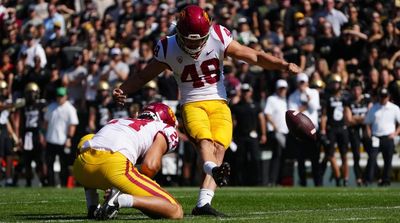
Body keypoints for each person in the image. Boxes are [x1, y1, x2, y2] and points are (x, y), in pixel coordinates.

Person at [112, 5, 300, 216]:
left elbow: (253, 56)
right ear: (180, 33)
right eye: (189, 39)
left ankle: (203, 203)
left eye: (198, 39)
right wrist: (123, 89)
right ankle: (213, 171)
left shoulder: (218, 36)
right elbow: (143, 76)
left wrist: (283, 65)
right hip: (192, 103)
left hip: (219, 102)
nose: (194, 43)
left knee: (219, 147)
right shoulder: (168, 46)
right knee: (205, 141)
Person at [73, 102, 183, 220]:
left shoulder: (118, 120)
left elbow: (85, 143)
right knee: (175, 210)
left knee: (88, 138)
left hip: (81, 169)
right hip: (113, 167)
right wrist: (124, 190)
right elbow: (150, 166)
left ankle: (92, 206)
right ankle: (121, 199)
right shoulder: (165, 128)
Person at [288, 73, 321, 186]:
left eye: (303, 82)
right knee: (300, 159)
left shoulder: (313, 92)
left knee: (315, 159)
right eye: (300, 82)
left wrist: (307, 98)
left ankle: (318, 183)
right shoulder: (293, 96)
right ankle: (303, 182)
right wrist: (304, 107)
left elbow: (315, 107)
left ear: (307, 82)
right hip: (300, 132)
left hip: (313, 130)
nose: (302, 84)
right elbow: (292, 114)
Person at [230, 83, 267, 186]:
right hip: (240, 136)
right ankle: (240, 182)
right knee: (240, 160)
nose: (246, 93)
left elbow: (261, 120)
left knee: (255, 158)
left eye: (247, 91)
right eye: (244, 91)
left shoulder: (256, 105)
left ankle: (258, 182)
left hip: (253, 136)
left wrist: (263, 134)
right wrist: (231, 135)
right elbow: (233, 122)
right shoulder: (236, 107)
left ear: (251, 92)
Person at [364, 88, 400, 186]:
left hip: (388, 137)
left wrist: (395, 134)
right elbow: (367, 123)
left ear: (388, 97)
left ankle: (386, 180)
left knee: (388, 160)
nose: (383, 99)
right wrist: (369, 133)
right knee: (372, 158)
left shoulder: (394, 108)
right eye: (381, 96)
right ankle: (369, 179)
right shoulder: (374, 108)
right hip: (376, 137)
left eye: (385, 97)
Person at [44, 86, 79, 187]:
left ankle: (64, 184)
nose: (60, 98)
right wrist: (44, 134)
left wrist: (69, 138)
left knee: (64, 165)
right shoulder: (51, 107)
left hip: (63, 140)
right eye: (58, 96)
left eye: (62, 96)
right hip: (50, 139)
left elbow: (73, 125)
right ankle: (50, 184)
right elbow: (46, 122)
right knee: (49, 164)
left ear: (66, 96)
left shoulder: (70, 109)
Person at [264, 79, 289, 186]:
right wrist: (275, 127)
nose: (282, 91)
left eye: (284, 89)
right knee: (277, 156)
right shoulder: (272, 99)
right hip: (276, 132)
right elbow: (267, 114)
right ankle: (272, 180)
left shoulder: (285, 100)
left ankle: (279, 180)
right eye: (281, 88)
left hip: (285, 132)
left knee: (282, 157)